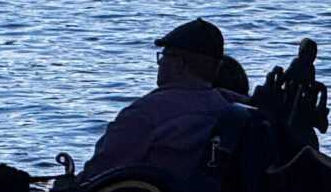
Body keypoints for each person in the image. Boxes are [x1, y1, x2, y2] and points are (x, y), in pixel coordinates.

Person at [82, 18, 238, 182]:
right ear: (217, 67)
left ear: (177, 64)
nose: (160, 63)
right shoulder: (234, 106)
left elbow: (101, 170)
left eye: (163, 56)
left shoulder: (146, 113)